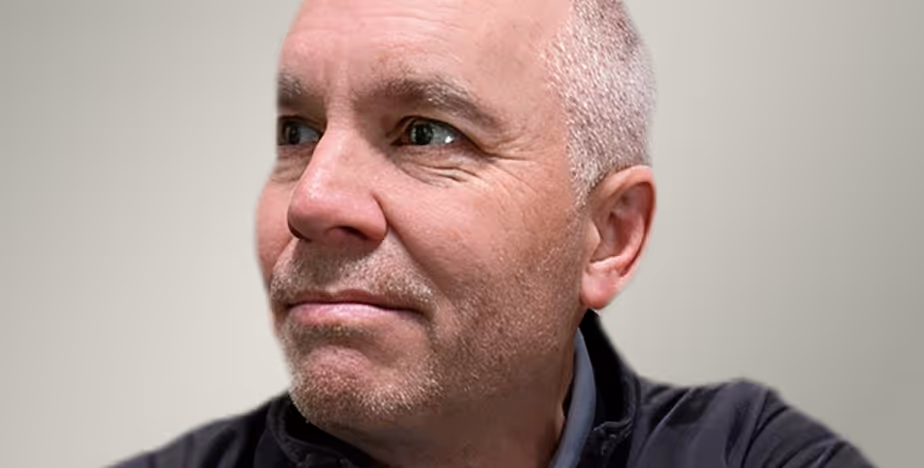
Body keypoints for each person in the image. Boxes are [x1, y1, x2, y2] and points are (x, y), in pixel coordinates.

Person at [114, 0, 874, 466]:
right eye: (298, 130)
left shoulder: (749, 457)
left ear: (608, 237)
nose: (312, 201)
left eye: (424, 132)